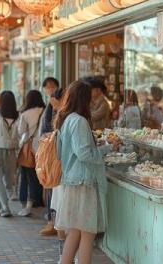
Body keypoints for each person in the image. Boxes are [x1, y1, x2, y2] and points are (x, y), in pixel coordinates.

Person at [54, 80, 119, 264]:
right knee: (87, 235)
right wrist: (107, 148)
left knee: (75, 233)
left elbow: (69, 150)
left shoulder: (66, 119)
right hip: (84, 182)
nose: (91, 101)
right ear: (83, 98)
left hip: (73, 181)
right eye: (89, 98)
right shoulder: (79, 121)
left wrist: (96, 144)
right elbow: (84, 154)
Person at [38, 88, 64, 237]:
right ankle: (52, 221)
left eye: (56, 104)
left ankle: (55, 222)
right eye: (52, 104)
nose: (54, 107)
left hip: (55, 158)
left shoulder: (67, 117)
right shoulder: (52, 114)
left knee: (55, 192)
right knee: (51, 189)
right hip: (51, 157)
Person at [17, 90, 45, 216]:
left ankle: (27, 203)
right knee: (40, 174)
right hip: (44, 146)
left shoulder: (26, 113)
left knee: (27, 175)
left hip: (29, 147)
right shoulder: (46, 111)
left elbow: (21, 130)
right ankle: (38, 200)